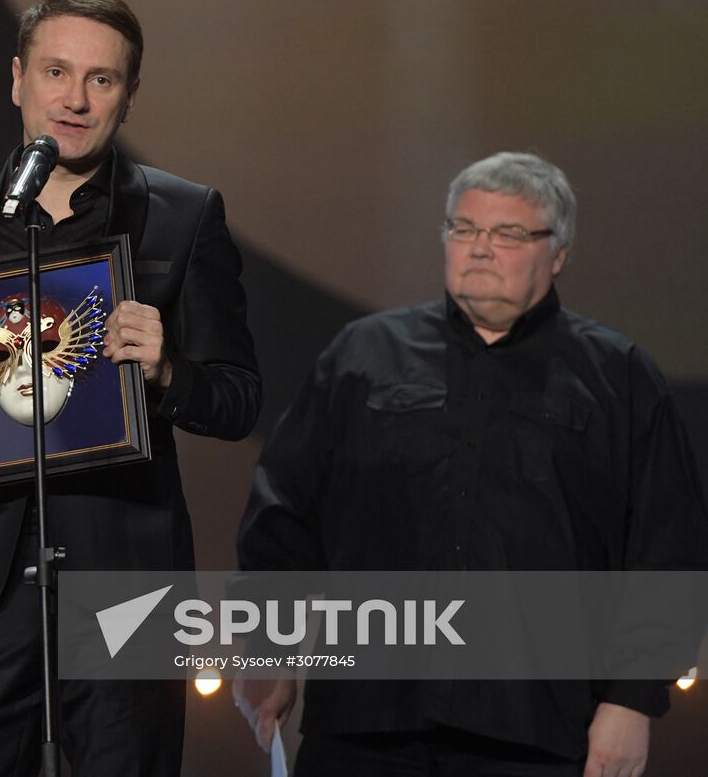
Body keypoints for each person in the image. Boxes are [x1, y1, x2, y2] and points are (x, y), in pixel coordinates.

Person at [0, 0, 263, 775]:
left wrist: (167, 369)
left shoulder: (183, 216)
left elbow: (238, 398)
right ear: (18, 77)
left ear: (130, 94)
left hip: (129, 576)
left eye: (101, 80)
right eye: (56, 72)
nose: (74, 99)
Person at [233, 152, 708, 776]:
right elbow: (285, 514)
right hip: (367, 723)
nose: (480, 248)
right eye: (464, 228)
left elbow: (666, 549)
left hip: (536, 732)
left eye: (509, 233)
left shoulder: (618, 378)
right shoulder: (364, 355)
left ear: (557, 252)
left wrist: (633, 700)